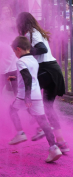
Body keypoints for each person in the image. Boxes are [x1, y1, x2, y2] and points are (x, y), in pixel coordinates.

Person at [16, 12, 69, 153]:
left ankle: (40, 128)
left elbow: (43, 49)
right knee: (48, 107)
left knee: (27, 96)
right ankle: (62, 142)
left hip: (47, 70)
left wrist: (27, 52)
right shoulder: (37, 32)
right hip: (54, 70)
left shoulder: (33, 33)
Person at [8, 36, 62, 163]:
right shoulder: (33, 59)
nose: (15, 54)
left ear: (18, 49)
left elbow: (27, 78)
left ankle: (20, 133)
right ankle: (54, 148)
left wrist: (27, 97)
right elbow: (31, 76)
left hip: (25, 95)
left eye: (14, 52)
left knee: (12, 110)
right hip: (37, 94)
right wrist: (15, 78)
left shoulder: (20, 62)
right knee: (43, 121)